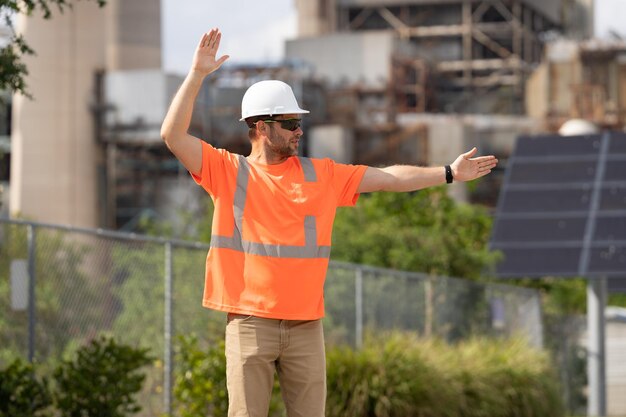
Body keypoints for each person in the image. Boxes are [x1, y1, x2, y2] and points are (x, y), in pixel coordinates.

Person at [161, 28, 498, 417]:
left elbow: (389, 178)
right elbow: (172, 135)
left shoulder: (321, 176)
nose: (298, 130)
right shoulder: (226, 171)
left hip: (306, 325)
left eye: (298, 122)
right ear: (261, 127)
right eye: (289, 123)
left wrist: (449, 173)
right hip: (250, 323)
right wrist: (197, 75)